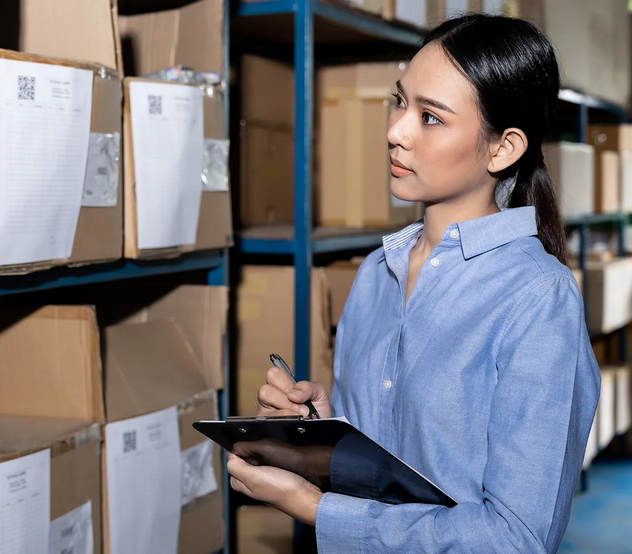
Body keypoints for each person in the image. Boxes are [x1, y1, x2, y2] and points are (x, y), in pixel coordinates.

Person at [227, 13, 601, 553]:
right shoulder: (377, 274)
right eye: (401, 102)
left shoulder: (539, 300)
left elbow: (515, 539)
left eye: (430, 118)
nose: (395, 131)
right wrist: (319, 431)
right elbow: (383, 469)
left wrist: (314, 508)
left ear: (503, 149)